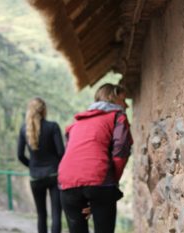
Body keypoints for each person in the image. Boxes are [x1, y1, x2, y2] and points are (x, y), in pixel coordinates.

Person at [58, 83, 133, 233]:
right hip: (99, 178)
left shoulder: (76, 124)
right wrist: (112, 182)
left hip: (67, 181)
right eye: (123, 100)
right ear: (113, 97)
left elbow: (70, 152)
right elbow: (120, 151)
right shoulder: (118, 117)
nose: (126, 105)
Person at [17, 97, 64, 233]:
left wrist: (32, 166)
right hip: (54, 175)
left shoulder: (24, 129)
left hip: (36, 178)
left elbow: (20, 155)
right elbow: (61, 152)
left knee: (41, 215)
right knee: (56, 215)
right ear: (44, 110)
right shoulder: (53, 127)